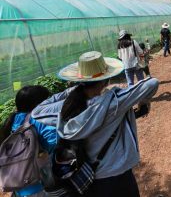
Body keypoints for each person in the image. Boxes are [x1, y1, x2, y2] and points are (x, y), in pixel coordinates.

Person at [32, 51, 159, 197]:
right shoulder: (114, 103)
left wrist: (70, 91)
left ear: (80, 80)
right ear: (106, 80)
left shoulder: (66, 107)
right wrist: (143, 101)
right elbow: (152, 83)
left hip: (89, 178)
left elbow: (37, 111)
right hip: (119, 176)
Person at [0, 85, 57, 197]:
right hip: (37, 182)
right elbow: (54, 141)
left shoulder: (12, 120)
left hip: (17, 181)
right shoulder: (37, 120)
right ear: (39, 104)